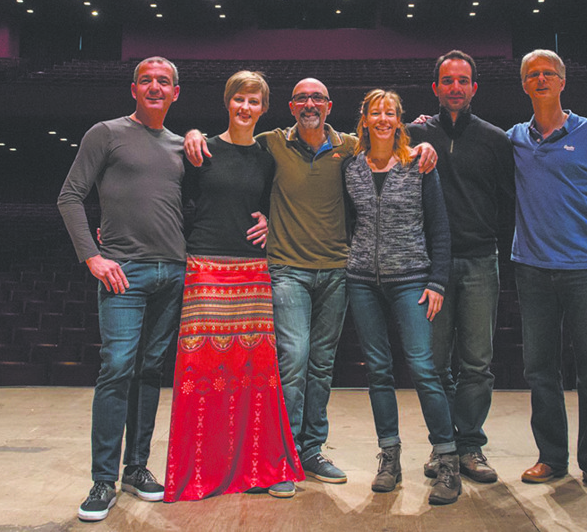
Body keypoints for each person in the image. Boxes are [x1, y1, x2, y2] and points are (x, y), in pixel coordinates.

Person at [185, 78, 437, 487]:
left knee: (321, 366)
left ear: (329, 105)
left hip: (338, 269)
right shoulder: (272, 142)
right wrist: (193, 134)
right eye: (302, 97)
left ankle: (311, 450)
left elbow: (391, 140)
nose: (310, 103)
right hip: (287, 268)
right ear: (290, 105)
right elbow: (231, 141)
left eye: (317, 97)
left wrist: (424, 142)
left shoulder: (352, 146)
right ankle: (280, 457)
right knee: (295, 359)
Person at [57, 57, 188, 522]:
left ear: (176, 92)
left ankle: (137, 468)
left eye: (164, 81)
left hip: (173, 272)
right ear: (134, 88)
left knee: (150, 370)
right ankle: (102, 479)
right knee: (116, 367)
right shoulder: (106, 133)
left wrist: (261, 217)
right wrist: (92, 255)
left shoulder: (179, 145)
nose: (155, 87)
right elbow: (70, 195)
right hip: (123, 273)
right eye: (147, 80)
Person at [164, 71, 303, 501]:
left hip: (252, 271)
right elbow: (177, 201)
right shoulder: (200, 148)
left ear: (264, 108)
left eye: (254, 101)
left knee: (256, 377)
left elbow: (275, 203)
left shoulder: (266, 155)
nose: (246, 107)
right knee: (202, 375)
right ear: (228, 102)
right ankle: (204, 470)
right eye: (239, 99)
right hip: (205, 267)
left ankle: (261, 465)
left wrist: (268, 220)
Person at [508, 49, 587, 493]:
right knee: (540, 370)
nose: (541, 79)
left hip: (586, 270)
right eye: (532, 74)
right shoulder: (514, 138)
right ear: (524, 85)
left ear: (562, 81)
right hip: (533, 271)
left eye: (549, 73)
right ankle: (551, 458)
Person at [343, 89, 461, 505]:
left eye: (389, 112)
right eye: (375, 111)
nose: (382, 118)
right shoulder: (352, 166)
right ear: (365, 119)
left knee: (423, 369)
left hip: (412, 279)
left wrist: (437, 281)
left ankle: (448, 458)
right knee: (378, 371)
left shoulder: (419, 164)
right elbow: (345, 222)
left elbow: (440, 228)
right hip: (361, 281)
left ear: (399, 120)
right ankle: (389, 457)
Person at [406, 50, 514, 484]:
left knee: (477, 364)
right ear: (435, 88)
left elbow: (508, 202)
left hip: (478, 261)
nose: (455, 87)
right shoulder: (412, 133)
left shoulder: (495, 139)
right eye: (447, 81)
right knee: (433, 365)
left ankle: (469, 445)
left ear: (474, 88)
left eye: (463, 81)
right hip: (429, 265)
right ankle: (443, 445)